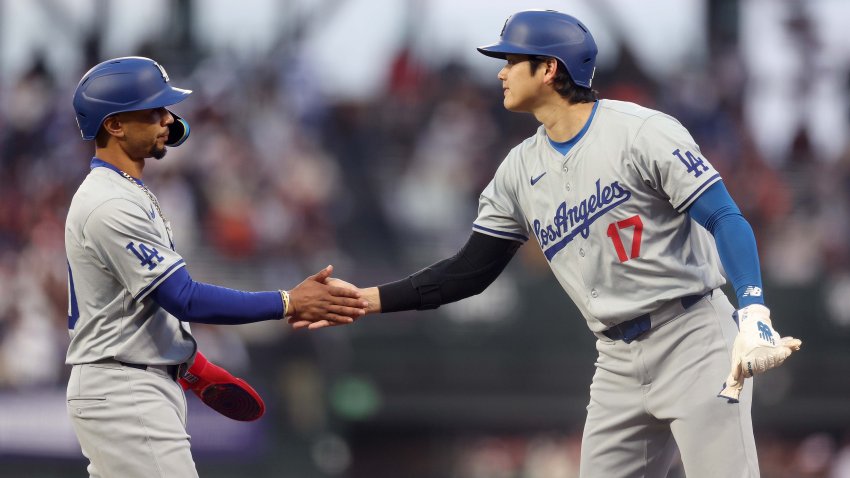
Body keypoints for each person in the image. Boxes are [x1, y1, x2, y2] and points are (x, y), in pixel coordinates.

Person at [297, 10, 802, 478]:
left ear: (548, 69)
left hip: (693, 336)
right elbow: (468, 271)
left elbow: (725, 217)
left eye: (511, 60)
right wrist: (366, 299)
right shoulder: (518, 171)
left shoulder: (642, 131)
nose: (500, 72)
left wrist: (753, 309)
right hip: (617, 357)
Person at [65, 56, 367, 477]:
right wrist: (289, 302)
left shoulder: (125, 191)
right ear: (114, 125)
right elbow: (183, 298)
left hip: (131, 382)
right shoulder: (110, 203)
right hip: (124, 389)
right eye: (154, 110)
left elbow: (133, 309)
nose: (169, 119)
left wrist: (194, 364)